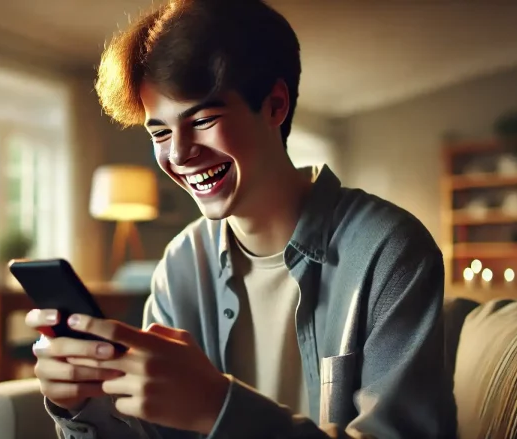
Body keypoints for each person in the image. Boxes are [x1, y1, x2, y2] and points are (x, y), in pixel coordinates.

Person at [25, 0, 457, 437]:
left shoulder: (391, 250)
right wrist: (81, 407)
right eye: (160, 132)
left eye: (204, 119)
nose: (178, 153)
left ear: (274, 105)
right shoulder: (181, 263)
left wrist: (218, 408)